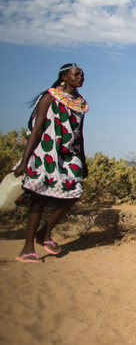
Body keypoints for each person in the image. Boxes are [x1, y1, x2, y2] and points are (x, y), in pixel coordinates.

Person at [13, 63, 89, 263]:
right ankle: (27, 248)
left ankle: (44, 233)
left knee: (74, 193)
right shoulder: (49, 96)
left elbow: (79, 134)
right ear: (65, 77)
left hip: (69, 154)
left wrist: (83, 160)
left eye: (82, 74)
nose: (80, 77)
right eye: (76, 74)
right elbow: (37, 129)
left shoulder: (80, 103)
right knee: (40, 197)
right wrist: (24, 161)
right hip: (46, 151)